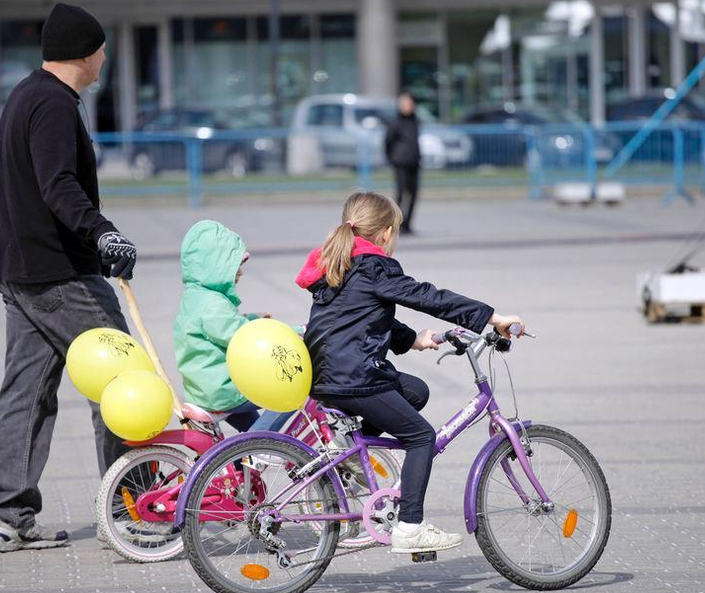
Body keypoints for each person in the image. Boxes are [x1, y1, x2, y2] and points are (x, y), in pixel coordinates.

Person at [0, 3, 138, 553]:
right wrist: (104, 234)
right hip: (61, 275)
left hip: (23, 274)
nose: (105, 57)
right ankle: (130, 509)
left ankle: (7, 519)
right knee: (124, 383)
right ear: (86, 53)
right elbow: (58, 185)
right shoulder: (51, 104)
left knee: (26, 396)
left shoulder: (27, 93)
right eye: (101, 48)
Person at [295, 191, 524, 553]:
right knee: (421, 438)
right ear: (385, 234)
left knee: (416, 391)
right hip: (355, 378)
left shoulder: (339, 265)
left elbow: (358, 317)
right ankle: (410, 527)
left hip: (326, 376)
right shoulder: (374, 266)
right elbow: (428, 297)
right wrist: (492, 317)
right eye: (396, 231)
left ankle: (347, 446)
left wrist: (413, 339)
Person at [174, 220, 293, 433]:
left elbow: (224, 327)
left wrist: (254, 318)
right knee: (291, 394)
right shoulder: (213, 304)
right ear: (216, 267)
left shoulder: (195, 298)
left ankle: (245, 458)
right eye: (234, 267)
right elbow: (244, 337)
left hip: (203, 388)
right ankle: (258, 448)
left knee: (246, 437)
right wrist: (294, 333)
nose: (240, 273)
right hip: (223, 390)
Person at [385, 91, 421, 234]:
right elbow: (388, 142)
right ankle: (396, 224)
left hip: (414, 162)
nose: (407, 106)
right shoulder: (395, 122)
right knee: (400, 194)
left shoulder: (415, 121)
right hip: (400, 162)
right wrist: (392, 158)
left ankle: (408, 224)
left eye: (409, 103)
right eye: (404, 103)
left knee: (413, 194)